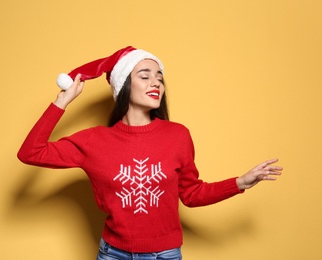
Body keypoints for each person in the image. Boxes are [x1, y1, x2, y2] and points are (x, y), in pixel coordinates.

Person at [17, 46, 282, 260]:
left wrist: (239, 183)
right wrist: (62, 102)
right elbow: (31, 152)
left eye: (159, 77)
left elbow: (191, 194)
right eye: (144, 76)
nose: (155, 82)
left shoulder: (178, 135)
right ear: (123, 86)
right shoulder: (94, 141)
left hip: (164, 255)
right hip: (112, 254)